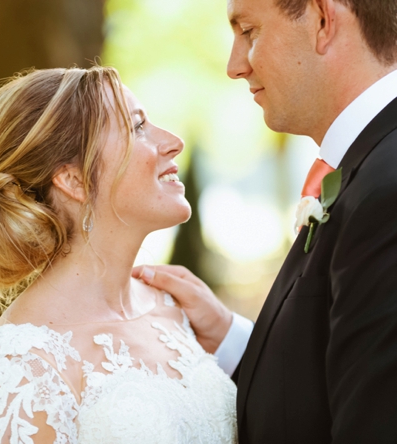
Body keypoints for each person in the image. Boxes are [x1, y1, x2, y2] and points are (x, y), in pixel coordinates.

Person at [134, 0, 397, 442]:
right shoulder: (369, 169)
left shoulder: (387, 191)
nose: (234, 67)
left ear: (321, 21)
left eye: (249, 31)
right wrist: (232, 340)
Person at [0, 66, 238, 443]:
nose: (173, 142)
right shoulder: (26, 362)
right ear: (73, 179)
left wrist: (230, 334)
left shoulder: (177, 307)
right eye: (137, 127)